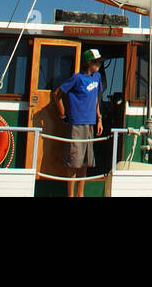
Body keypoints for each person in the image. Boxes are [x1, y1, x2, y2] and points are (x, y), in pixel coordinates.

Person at [53, 48, 104, 197]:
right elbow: (57, 94)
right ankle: (70, 195)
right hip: (76, 124)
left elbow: (95, 98)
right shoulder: (77, 78)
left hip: (90, 124)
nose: (98, 65)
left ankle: (80, 194)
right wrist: (63, 115)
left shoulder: (97, 77)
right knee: (74, 162)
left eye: (100, 62)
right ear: (88, 62)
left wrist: (99, 118)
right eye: (96, 62)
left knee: (85, 162)